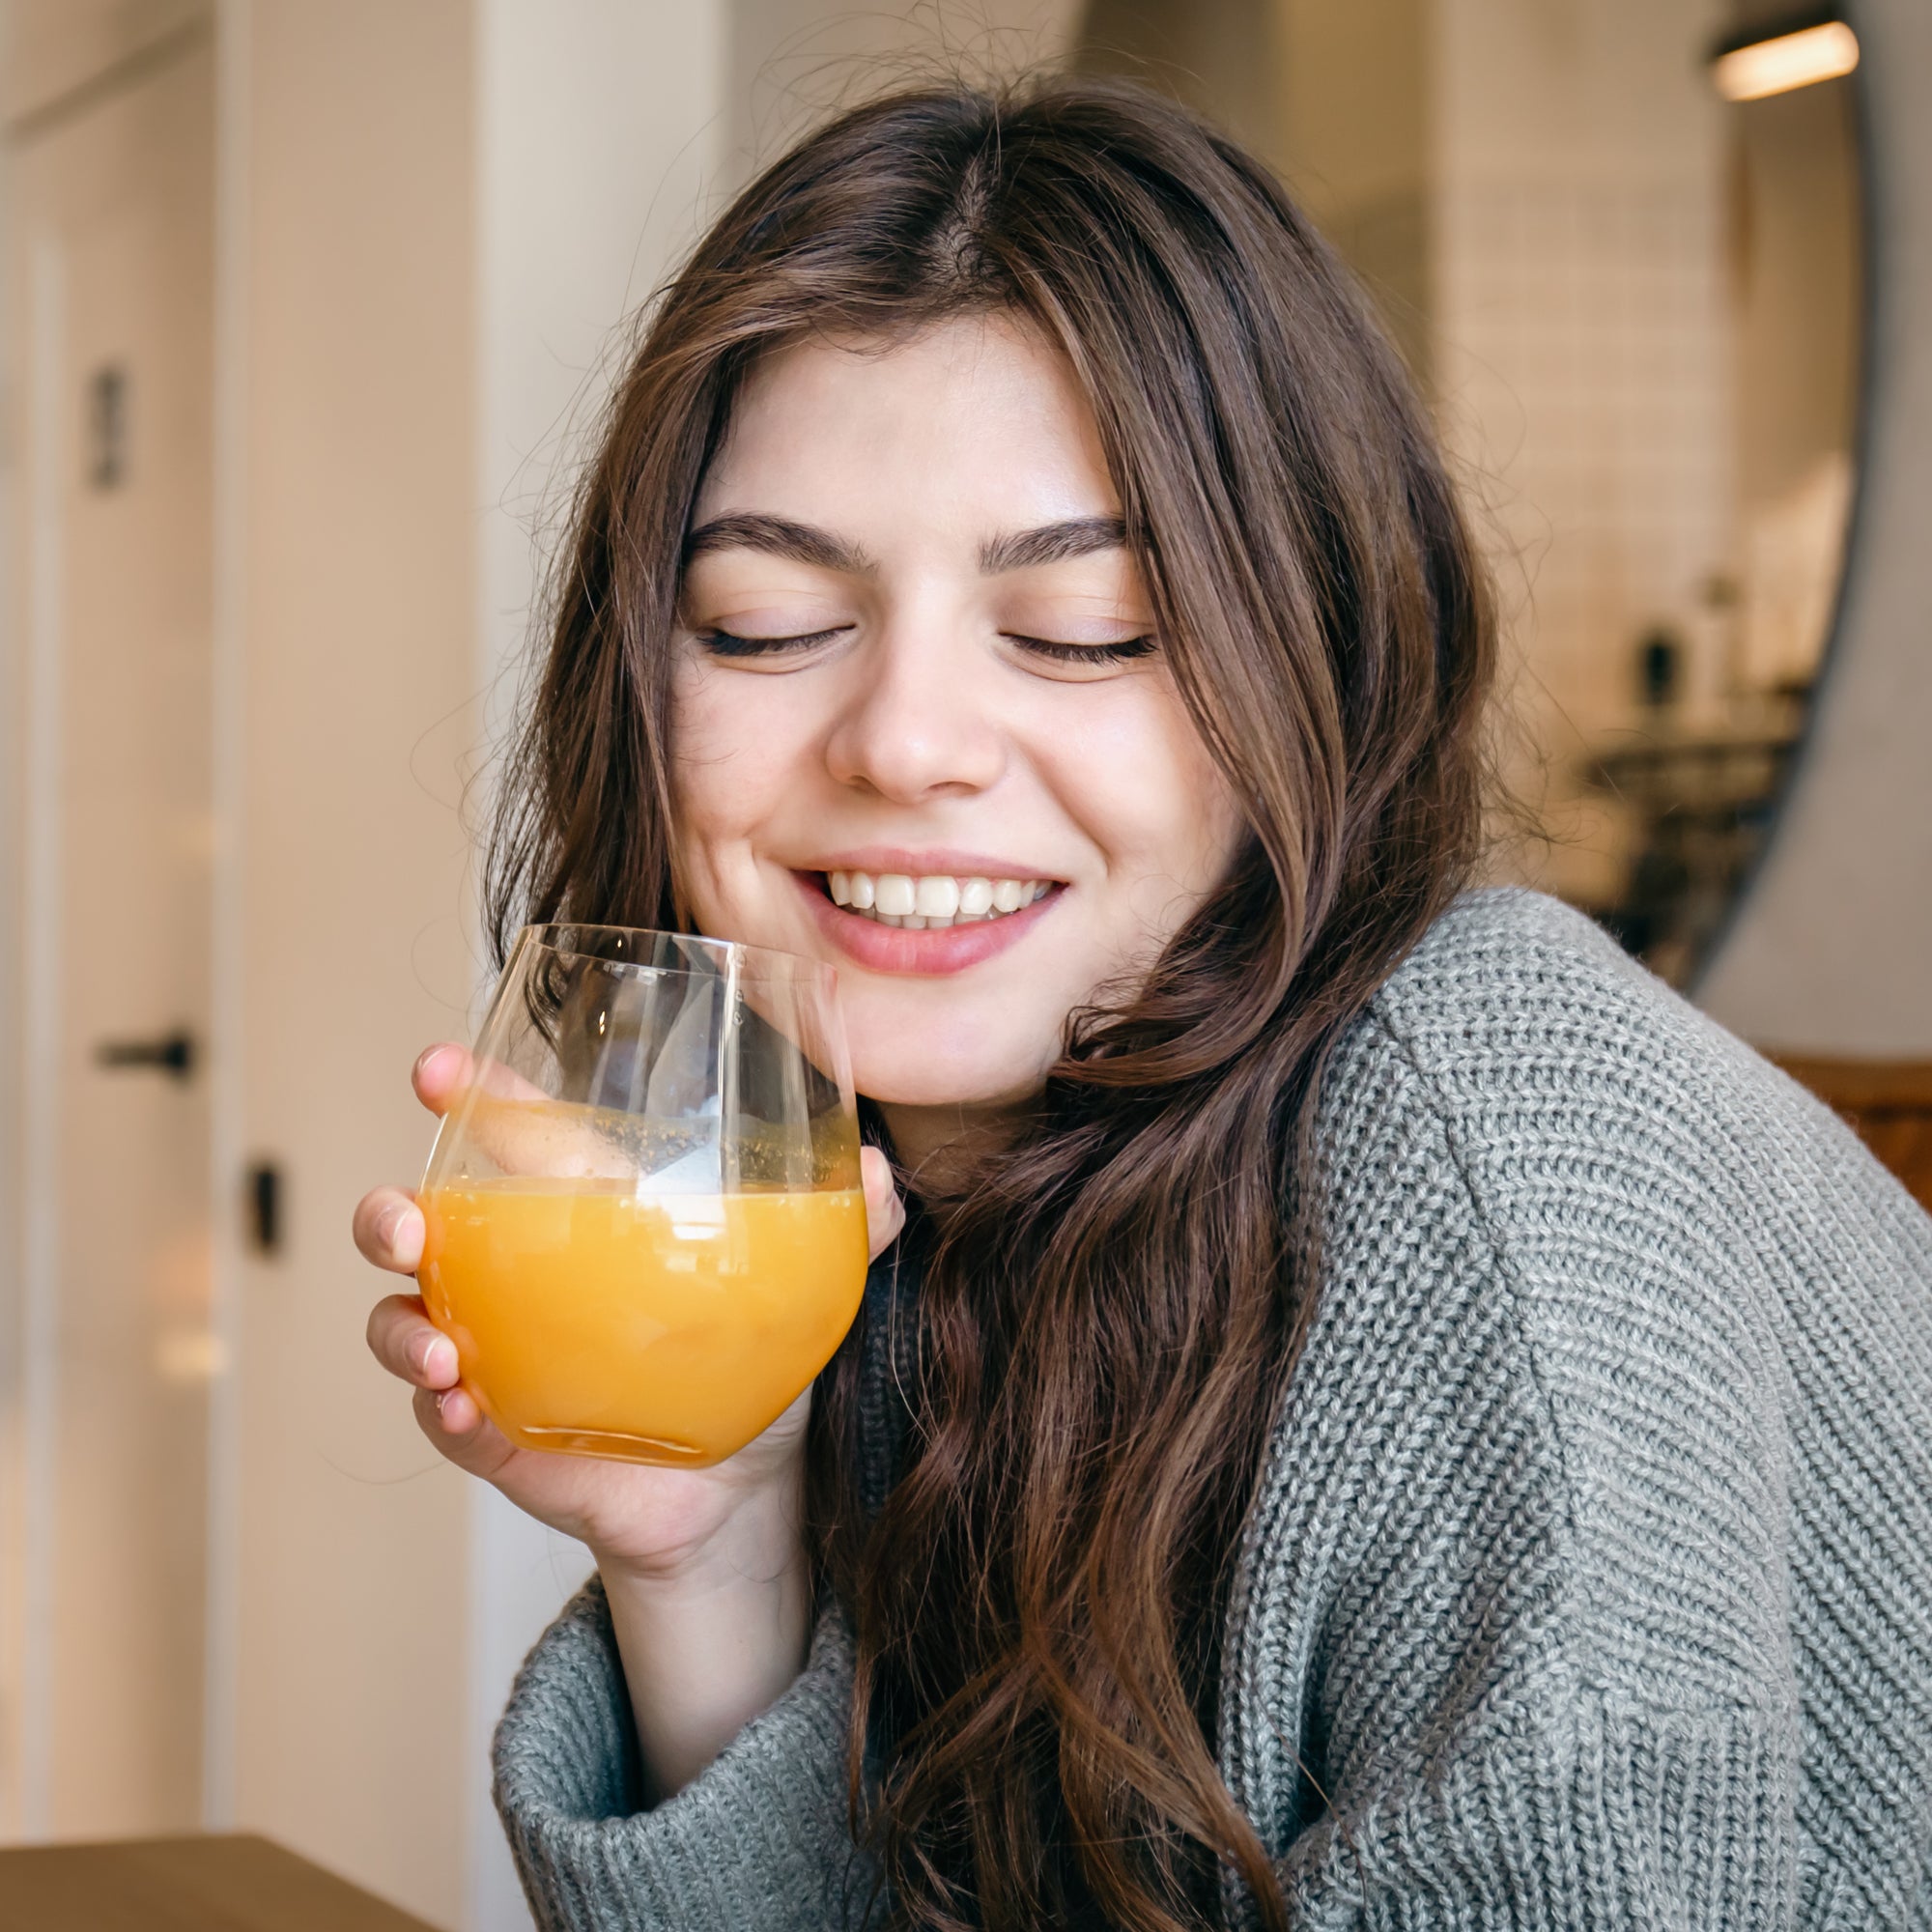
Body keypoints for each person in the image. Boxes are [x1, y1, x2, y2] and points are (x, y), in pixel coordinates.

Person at [355, 76, 1932, 1931]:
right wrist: (709, 1556)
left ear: (1312, 659)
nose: (909, 744)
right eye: (772, 625)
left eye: (1089, 626)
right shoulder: (876, 1220)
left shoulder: (1498, 1157)